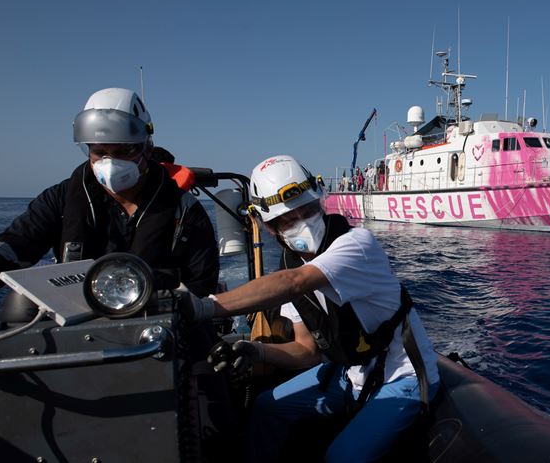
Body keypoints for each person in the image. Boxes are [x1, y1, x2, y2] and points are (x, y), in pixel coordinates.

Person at [186, 155, 440, 462]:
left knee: (341, 457)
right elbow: (307, 350)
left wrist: (204, 307)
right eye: (288, 219)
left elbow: (293, 283)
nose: (302, 223)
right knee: (267, 407)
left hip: (402, 377)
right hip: (350, 374)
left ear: (321, 203)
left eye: (307, 211)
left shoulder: (355, 245)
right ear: (270, 228)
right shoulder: (292, 263)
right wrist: (256, 351)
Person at [0, 88, 219, 299]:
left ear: (147, 148)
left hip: (156, 318)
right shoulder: (60, 199)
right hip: (76, 320)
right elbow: (14, 244)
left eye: (123, 151)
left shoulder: (184, 210)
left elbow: (201, 283)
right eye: (100, 152)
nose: (110, 162)